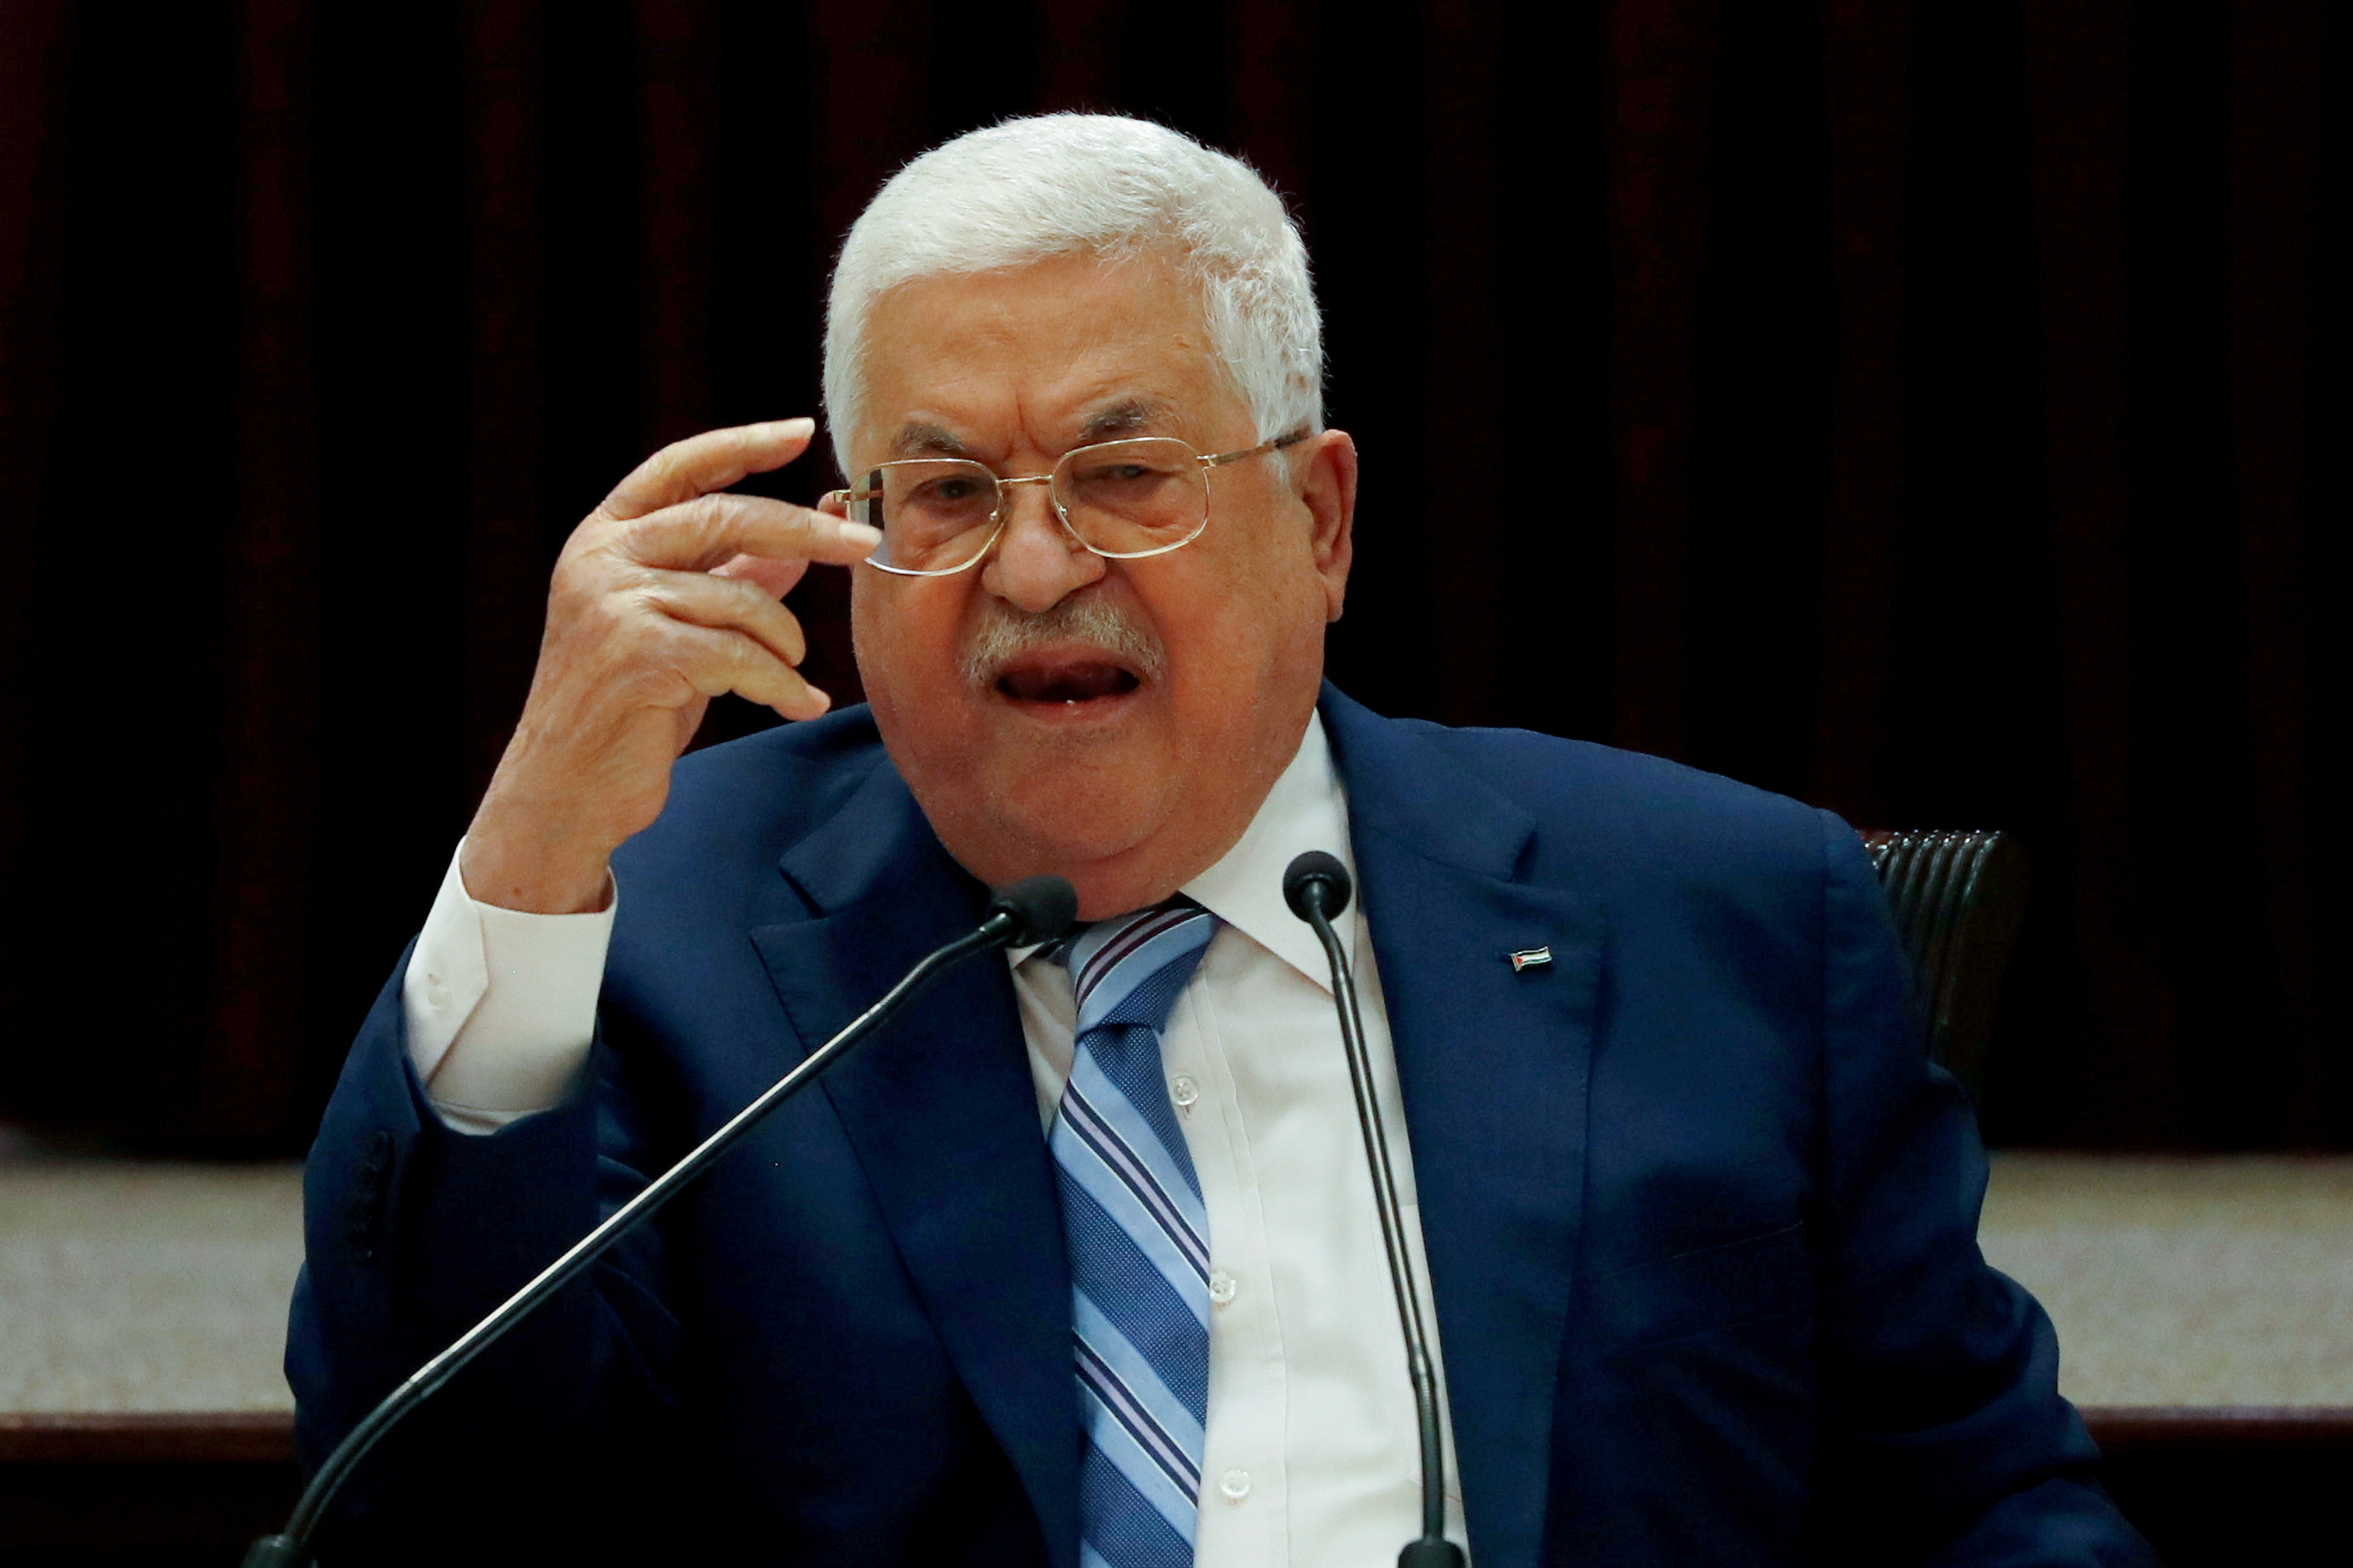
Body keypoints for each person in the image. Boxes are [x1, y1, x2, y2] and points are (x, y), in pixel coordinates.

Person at [288, 115, 2152, 1566]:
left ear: (1321, 524)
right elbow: (430, 1514)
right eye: (945, 492)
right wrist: (529, 860)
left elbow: (1980, 1508)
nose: (1034, 568)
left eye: (1125, 476)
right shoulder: (659, 927)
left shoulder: (1723, 914)